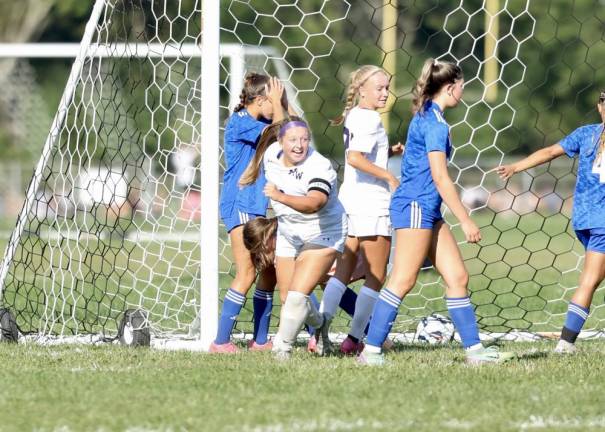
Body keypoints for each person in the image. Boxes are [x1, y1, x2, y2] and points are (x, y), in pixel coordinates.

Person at [358, 58, 516, 366]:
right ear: (451, 87)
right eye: (462, 86)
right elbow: (441, 177)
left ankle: (475, 352)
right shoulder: (433, 123)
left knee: (457, 276)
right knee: (403, 279)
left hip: (427, 208)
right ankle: (371, 351)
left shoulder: (433, 117)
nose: (463, 91)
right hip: (416, 205)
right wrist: (466, 219)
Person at [496, 91, 605, 354]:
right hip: (602, 221)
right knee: (589, 281)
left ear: (600, 108)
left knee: (594, 278)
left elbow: (549, 151)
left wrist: (516, 166)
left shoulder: (585, 134)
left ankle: (566, 342)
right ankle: (565, 344)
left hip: (583, 219)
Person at [319, 65, 403, 355]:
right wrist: (389, 175)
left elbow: (359, 152)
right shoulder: (368, 117)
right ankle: (354, 339)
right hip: (371, 203)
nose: (385, 93)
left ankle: (318, 334)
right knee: (376, 275)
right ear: (362, 89)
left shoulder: (356, 114)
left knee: (341, 272)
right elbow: (355, 158)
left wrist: (387, 152)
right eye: (379, 88)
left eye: (387, 87)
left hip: (350, 200)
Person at [250, 119, 347, 359]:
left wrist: (279, 197)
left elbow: (314, 204)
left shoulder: (319, 166)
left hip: (323, 231)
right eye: (293, 139)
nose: (299, 145)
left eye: (305, 139)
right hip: (288, 231)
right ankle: (321, 323)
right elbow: (283, 120)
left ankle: (282, 350)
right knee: (288, 297)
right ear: (280, 141)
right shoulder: (272, 153)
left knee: (296, 296)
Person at [209, 73, 288, 353]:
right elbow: (284, 134)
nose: (277, 106)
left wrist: (279, 105)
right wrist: (279, 106)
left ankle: (261, 340)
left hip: (257, 206)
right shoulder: (241, 123)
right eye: (274, 101)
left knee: (269, 272)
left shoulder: (262, 121)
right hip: (241, 204)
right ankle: (220, 341)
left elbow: (292, 131)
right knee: (247, 271)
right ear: (260, 100)